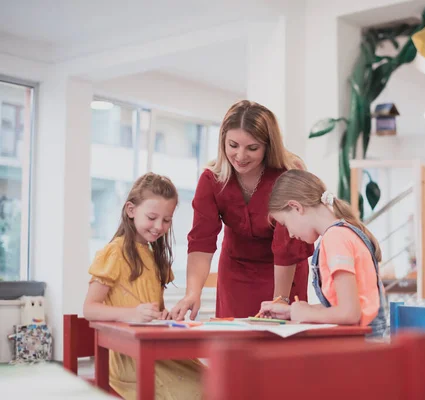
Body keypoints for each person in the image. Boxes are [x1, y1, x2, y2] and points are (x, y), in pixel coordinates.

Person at [171, 100, 313, 320]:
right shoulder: (212, 180)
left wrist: (280, 300)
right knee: (235, 343)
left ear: (268, 146)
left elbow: (288, 245)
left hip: (284, 272)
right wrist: (192, 293)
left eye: (252, 148)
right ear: (222, 142)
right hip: (235, 272)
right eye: (233, 145)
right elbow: (201, 240)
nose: (240, 155)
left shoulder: (288, 174)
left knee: (278, 340)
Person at [83, 173, 203, 400]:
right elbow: (89, 308)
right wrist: (133, 314)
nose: (159, 226)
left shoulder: (156, 257)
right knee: (192, 392)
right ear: (131, 210)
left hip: (155, 351)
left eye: (166, 220)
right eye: (152, 217)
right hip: (128, 359)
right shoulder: (114, 253)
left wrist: (164, 315)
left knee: (214, 382)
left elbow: (153, 310)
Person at [258, 169, 388, 338]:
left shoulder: (335, 238)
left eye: (285, 223)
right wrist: (292, 311)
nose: (290, 234)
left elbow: (350, 314)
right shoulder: (343, 232)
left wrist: (304, 314)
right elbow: (344, 306)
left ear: (295, 207)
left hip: (362, 347)